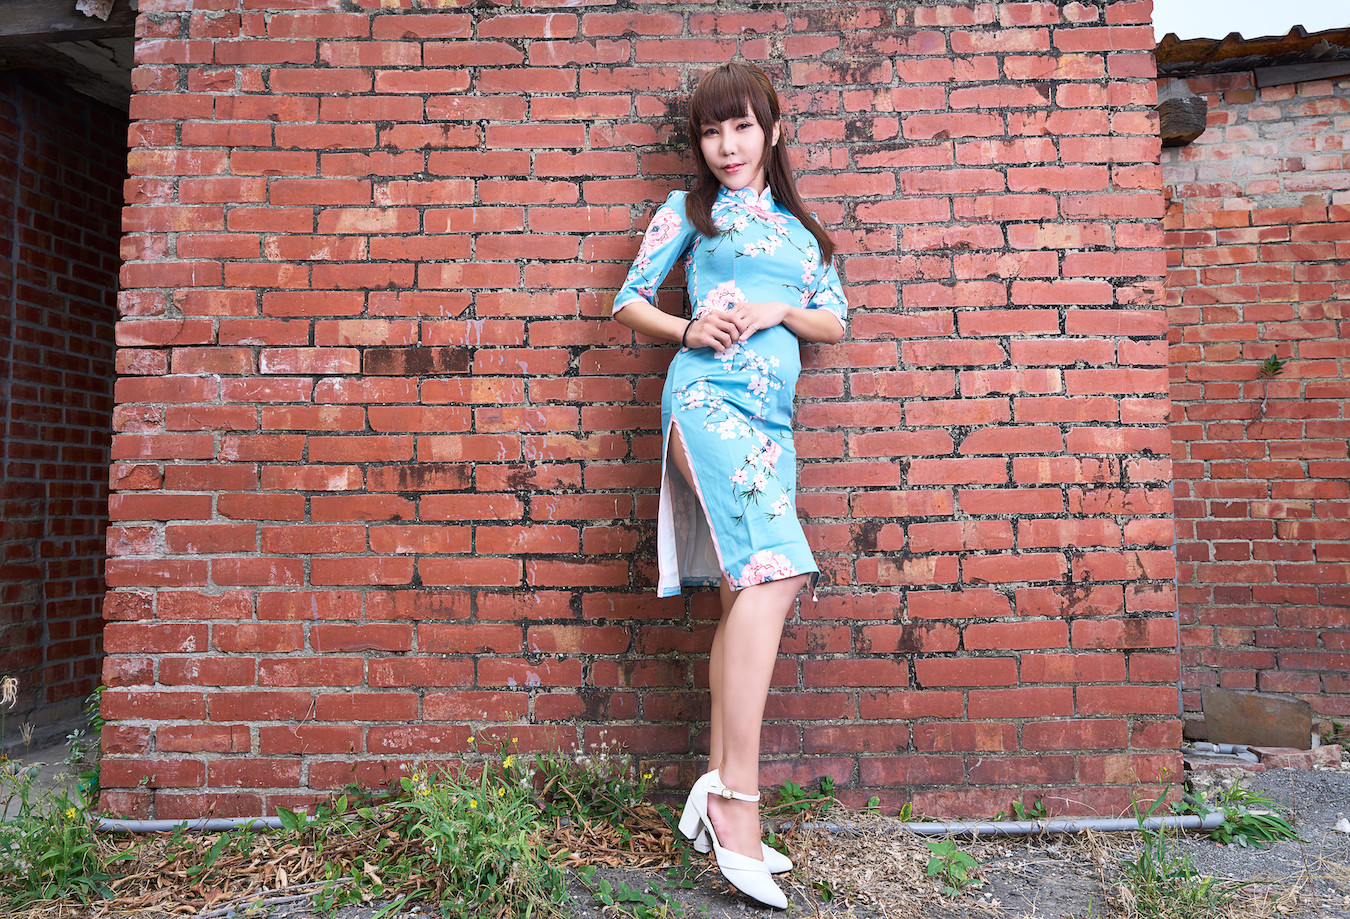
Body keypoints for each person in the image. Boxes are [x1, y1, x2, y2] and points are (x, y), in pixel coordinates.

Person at [610, 61, 848, 909]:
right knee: (778, 572)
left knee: (743, 594)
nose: (727, 145)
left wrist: (780, 311)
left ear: (772, 131)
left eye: (742, 126)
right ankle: (735, 803)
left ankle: (717, 782)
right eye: (711, 131)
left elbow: (834, 319)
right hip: (707, 404)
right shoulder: (688, 212)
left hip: (773, 430)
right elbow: (628, 299)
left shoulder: (805, 236)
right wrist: (688, 325)